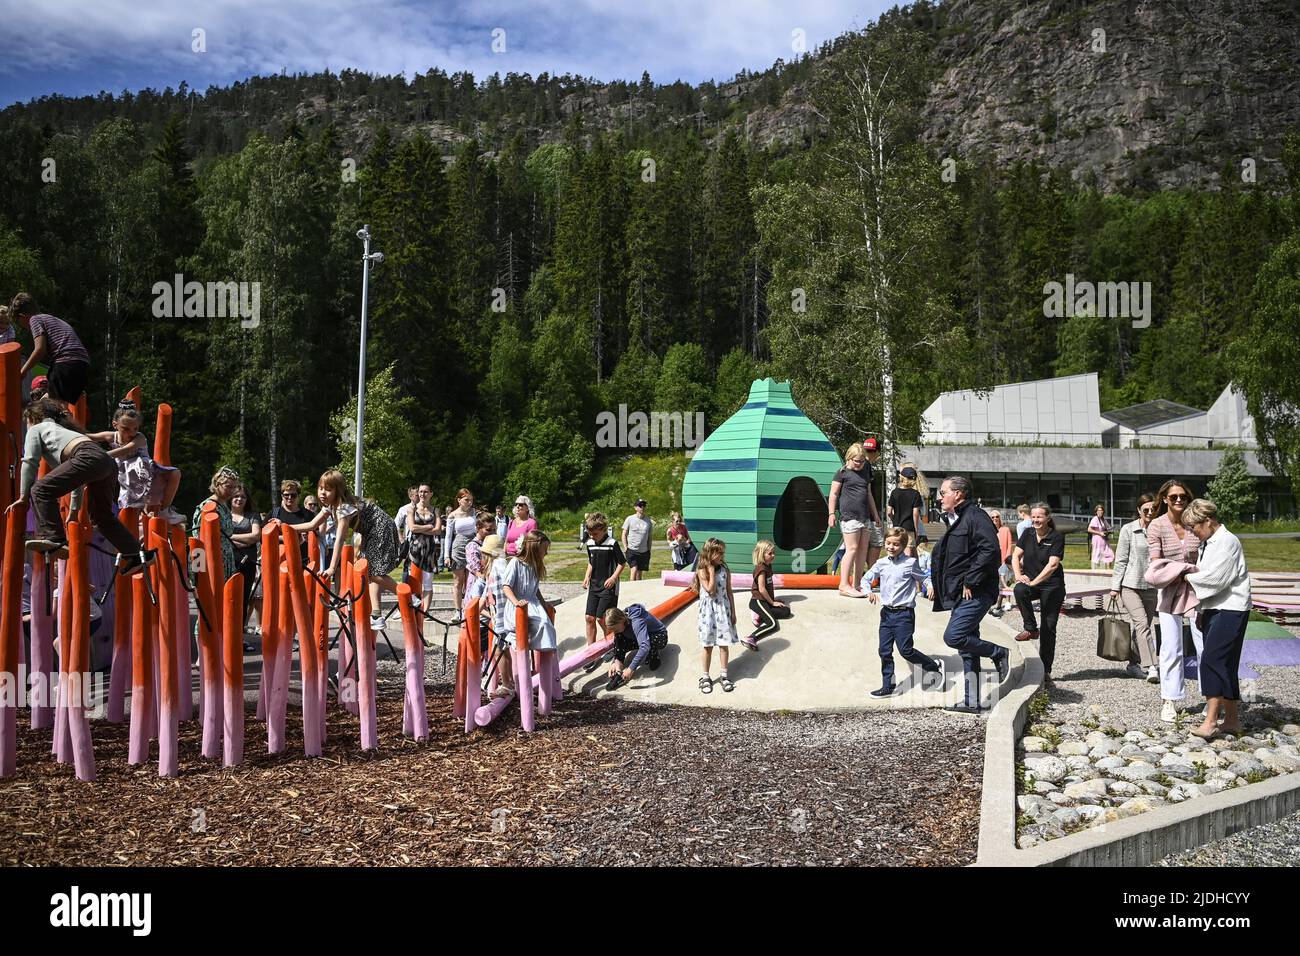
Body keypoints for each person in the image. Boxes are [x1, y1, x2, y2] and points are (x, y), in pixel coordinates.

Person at [8, 397, 155, 575]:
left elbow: (29, 462)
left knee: (40, 489)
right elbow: (78, 479)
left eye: (27, 422)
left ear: (33, 418)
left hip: (88, 457)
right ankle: (136, 554)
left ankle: (52, 537)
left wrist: (23, 497)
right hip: (107, 463)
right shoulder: (65, 432)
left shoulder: (37, 429)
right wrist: (74, 511)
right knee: (102, 517)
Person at [293, 470, 408, 634]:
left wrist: (332, 568)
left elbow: (339, 540)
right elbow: (312, 525)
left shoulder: (343, 509)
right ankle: (376, 615)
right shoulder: (330, 507)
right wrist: (284, 527)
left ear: (338, 491)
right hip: (371, 532)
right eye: (320, 488)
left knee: (372, 572)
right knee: (371, 570)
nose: (323, 493)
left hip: (380, 528)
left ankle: (407, 596)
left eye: (328, 489)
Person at [931, 475, 1009, 712]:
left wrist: (970, 580)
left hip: (976, 591)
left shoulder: (975, 516)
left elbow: (990, 551)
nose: (939, 497)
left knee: (954, 637)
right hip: (959, 593)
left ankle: (998, 652)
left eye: (943, 493)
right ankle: (971, 701)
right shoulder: (956, 519)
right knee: (967, 648)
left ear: (959, 494)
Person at [1182, 499, 1251, 738]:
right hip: (1214, 608)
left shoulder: (1227, 541)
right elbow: (1208, 577)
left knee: (1212, 660)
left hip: (1231, 608)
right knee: (1227, 664)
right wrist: (1201, 610)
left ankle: (1211, 721)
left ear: (1208, 521)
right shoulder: (1208, 542)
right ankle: (1231, 721)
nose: (1193, 533)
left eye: (1194, 527)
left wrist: (1184, 578)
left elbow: (1217, 579)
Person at [1146, 479, 1205, 723]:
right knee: (1171, 646)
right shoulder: (1157, 526)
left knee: (1204, 645)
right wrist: (1184, 569)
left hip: (1198, 589)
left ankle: (1211, 696)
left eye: (1183, 496)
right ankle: (1169, 699)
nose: (1179, 500)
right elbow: (1156, 564)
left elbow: (1206, 556)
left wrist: (1189, 572)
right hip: (1169, 590)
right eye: (1173, 497)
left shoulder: (1196, 524)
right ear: (1165, 500)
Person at [865, 528, 939, 697]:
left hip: (904, 614)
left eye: (896, 544)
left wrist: (930, 586)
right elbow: (866, 578)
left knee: (905, 650)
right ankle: (888, 686)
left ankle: (932, 666)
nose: (891, 547)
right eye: (888, 543)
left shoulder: (910, 563)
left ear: (903, 545)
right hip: (886, 614)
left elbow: (924, 577)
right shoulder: (881, 563)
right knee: (884, 650)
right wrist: (867, 590)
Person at [86, 400, 185, 525]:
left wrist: (101, 456)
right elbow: (89, 436)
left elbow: (124, 450)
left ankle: (164, 510)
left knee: (174, 473)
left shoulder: (139, 437)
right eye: (126, 429)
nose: (131, 433)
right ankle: (135, 513)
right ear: (115, 424)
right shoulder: (110, 436)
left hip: (147, 474)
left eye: (135, 428)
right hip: (127, 476)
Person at [1011, 503, 1067, 683]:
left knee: (1049, 628)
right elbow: (1015, 556)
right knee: (1019, 589)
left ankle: (1045, 670)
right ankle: (1030, 628)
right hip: (1032, 582)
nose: (1035, 520)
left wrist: (1034, 582)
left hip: (1052, 586)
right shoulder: (1027, 534)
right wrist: (1019, 575)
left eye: (1039, 517)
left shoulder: (1056, 537)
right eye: (1033, 516)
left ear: (1048, 518)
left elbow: (1053, 565)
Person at [1109, 494, 1160, 683]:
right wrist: (1115, 587)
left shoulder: (1160, 529)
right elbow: (1121, 559)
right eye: (1145, 509)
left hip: (1151, 587)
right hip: (1130, 586)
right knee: (1142, 625)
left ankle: (1132, 664)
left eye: (1152, 509)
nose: (1149, 512)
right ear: (1139, 510)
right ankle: (1152, 666)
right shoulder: (1128, 530)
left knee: (1141, 628)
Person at [10, 293, 92, 403]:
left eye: (19, 322)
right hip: (82, 364)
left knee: (55, 406)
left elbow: (40, 349)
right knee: (49, 404)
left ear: (22, 316)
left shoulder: (34, 319)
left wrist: (22, 371)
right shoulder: (52, 319)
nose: (23, 327)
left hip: (65, 362)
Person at [829, 442, 882, 597]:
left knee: (862, 549)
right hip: (849, 516)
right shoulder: (842, 472)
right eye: (856, 461)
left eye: (862, 461)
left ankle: (858, 584)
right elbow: (833, 494)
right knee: (851, 548)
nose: (859, 464)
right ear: (849, 458)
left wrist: (876, 515)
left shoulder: (866, 469)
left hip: (865, 516)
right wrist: (831, 514)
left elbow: (869, 493)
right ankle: (844, 585)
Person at [500, 529, 558, 662]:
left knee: (545, 625)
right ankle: (523, 658)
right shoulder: (516, 563)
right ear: (535, 549)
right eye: (544, 549)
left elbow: (535, 589)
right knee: (526, 631)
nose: (546, 553)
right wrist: (516, 602)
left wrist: (544, 604)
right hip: (519, 604)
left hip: (532, 604)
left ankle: (545, 659)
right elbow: (506, 586)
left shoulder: (534, 566)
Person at [693, 537, 738, 694]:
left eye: (722, 553)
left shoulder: (725, 570)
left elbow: (729, 591)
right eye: (719, 553)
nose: (721, 557)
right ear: (710, 553)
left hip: (723, 610)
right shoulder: (702, 570)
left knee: (724, 644)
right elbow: (711, 590)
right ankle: (705, 677)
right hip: (708, 614)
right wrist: (711, 571)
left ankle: (724, 675)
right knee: (708, 646)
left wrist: (733, 611)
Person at [581, 512, 626, 663]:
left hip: (608, 586)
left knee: (602, 618)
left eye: (595, 533)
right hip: (594, 585)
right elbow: (591, 562)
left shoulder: (612, 543)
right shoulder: (590, 543)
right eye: (590, 533)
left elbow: (622, 563)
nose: (592, 536)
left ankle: (611, 645)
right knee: (589, 617)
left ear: (603, 529)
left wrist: (613, 578)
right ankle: (591, 651)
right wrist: (587, 576)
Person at [191, 466, 241, 582]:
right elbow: (197, 539)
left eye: (234, 487)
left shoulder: (224, 506)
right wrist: (198, 572)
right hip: (210, 562)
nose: (232, 491)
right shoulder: (207, 506)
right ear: (217, 484)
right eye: (228, 487)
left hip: (226, 559)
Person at [603, 604, 669, 691]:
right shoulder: (620, 621)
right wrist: (616, 662)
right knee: (619, 637)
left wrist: (631, 669)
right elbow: (618, 643)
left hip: (659, 636)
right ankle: (618, 672)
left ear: (622, 620)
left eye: (615, 629)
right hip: (638, 637)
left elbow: (644, 647)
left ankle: (654, 655)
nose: (614, 632)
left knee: (649, 644)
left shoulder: (637, 622)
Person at [229, 486, 262, 650]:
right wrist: (244, 540)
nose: (239, 499)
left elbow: (255, 536)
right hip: (228, 562)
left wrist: (230, 538)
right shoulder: (224, 515)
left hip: (247, 562)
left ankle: (239, 638)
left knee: (243, 601)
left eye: (242, 496)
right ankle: (227, 637)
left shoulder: (253, 516)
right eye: (236, 496)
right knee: (227, 600)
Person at [746, 539, 789, 650]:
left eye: (774, 552)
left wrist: (775, 601)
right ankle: (751, 638)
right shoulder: (761, 569)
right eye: (770, 553)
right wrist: (772, 602)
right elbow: (762, 589)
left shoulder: (768, 566)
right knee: (772, 624)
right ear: (761, 554)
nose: (773, 555)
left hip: (766, 601)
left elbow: (769, 586)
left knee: (785, 611)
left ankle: (761, 615)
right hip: (758, 601)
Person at [405, 484, 442, 613]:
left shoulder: (435, 510)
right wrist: (428, 527)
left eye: (426, 492)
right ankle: (413, 607)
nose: (422, 494)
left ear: (431, 494)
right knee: (413, 579)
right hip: (415, 549)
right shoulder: (412, 509)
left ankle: (424, 611)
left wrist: (422, 529)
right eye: (420, 491)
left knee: (428, 582)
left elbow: (437, 530)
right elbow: (412, 528)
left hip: (430, 550)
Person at [442, 488, 477, 618]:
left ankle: (468, 606)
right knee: (458, 580)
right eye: (466, 500)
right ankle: (458, 610)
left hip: (473, 546)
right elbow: (448, 536)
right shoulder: (452, 515)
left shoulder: (474, 513)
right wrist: (446, 555)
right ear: (459, 500)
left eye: (471, 500)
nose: (469, 503)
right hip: (458, 547)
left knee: (471, 580)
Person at [269, 480, 315, 564]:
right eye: (286, 495)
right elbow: (262, 538)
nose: (289, 498)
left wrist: (308, 538)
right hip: (279, 562)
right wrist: (291, 538)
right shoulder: (274, 513)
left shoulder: (308, 515)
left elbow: (317, 537)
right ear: (282, 496)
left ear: (298, 496)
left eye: (293, 495)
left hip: (303, 561)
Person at [887, 463, 927, 556]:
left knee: (897, 549)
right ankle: (908, 570)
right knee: (908, 550)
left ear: (901, 478)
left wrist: (895, 520)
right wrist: (916, 529)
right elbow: (915, 513)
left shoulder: (894, 492)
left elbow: (889, 512)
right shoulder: (915, 494)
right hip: (909, 527)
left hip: (896, 527)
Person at [989, 509, 1015, 617]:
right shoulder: (989, 530)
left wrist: (1008, 558)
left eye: (997, 517)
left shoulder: (1005, 529)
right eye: (993, 517)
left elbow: (1009, 544)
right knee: (996, 581)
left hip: (1004, 558)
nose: (995, 519)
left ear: (1000, 518)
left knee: (1007, 579)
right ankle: (994, 601)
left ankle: (1008, 601)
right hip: (993, 559)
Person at [621, 498, 654, 581]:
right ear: (635, 507)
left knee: (639, 573)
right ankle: (631, 588)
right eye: (640, 505)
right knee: (634, 569)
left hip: (644, 551)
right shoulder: (630, 519)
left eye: (644, 505)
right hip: (632, 550)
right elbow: (624, 534)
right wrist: (626, 548)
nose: (642, 507)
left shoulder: (648, 521)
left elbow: (649, 537)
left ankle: (639, 589)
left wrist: (649, 550)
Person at [395, 484, 418, 580]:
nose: (420, 496)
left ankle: (417, 592)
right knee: (408, 566)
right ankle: (406, 591)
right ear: (410, 496)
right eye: (417, 495)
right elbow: (395, 525)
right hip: (410, 541)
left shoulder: (427, 508)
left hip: (423, 541)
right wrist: (401, 538)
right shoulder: (404, 509)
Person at [1088, 504, 1114, 570]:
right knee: (1097, 555)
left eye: (1101, 510)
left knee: (1110, 554)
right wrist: (1099, 533)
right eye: (1099, 510)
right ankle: (1095, 569)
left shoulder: (1103, 520)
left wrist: (1109, 531)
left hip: (1104, 540)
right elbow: (1089, 529)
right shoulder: (1095, 519)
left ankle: (1108, 570)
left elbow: (1108, 528)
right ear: (1096, 512)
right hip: (1097, 540)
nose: (1100, 512)